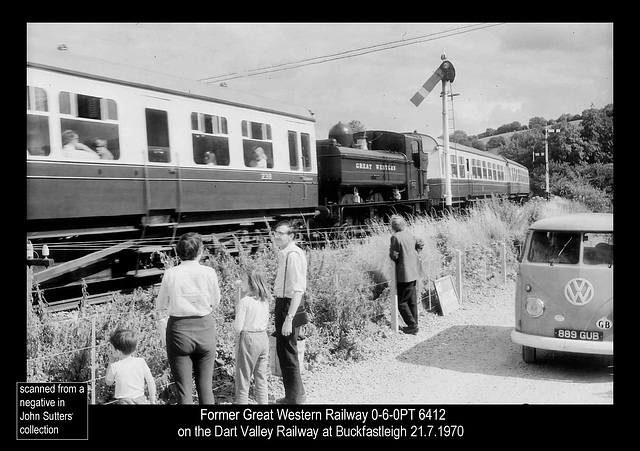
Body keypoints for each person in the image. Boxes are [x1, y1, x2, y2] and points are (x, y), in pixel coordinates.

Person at [155, 232, 221, 404]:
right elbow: (216, 301)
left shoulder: (171, 274)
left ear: (178, 252)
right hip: (205, 328)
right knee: (205, 386)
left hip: (179, 331)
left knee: (184, 390)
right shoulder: (209, 272)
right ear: (200, 251)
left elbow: (160, 305)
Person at [273, 220, 308, 404]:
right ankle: (296, 394)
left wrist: (289, 318)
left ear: (291, 236)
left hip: (288, 305)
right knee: (287, 350)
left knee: (287, 351)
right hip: (286, 303)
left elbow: (298, 289)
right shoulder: (288, 253)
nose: (277, 236)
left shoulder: (292, 256)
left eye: (281, 233)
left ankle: (294, 398)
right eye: (276, 232)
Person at [233, 267, 271, 404]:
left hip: (248, 339)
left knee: (243, 379)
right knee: (261, 378)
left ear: (250, 283)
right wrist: (239, 290)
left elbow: (238, 328)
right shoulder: (264, 300)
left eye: (243, 280)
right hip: (263, 338)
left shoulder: (245, 302)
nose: (240, 282)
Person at [389, 215, 423, 335]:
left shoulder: (395, 237)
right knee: (412, 300)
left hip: (404, 274)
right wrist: (414, 254)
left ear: (393, 227)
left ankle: (412, 325)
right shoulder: (410, 235)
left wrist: (397, 258)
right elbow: (421, 243)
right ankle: (414, 323)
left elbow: (394, 255)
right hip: (414, 271)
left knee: (402, 302)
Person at [105, 329, 156, 404]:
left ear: (118, 351)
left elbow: (108, 382)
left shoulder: (115, 366)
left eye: (112, 348)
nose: (110, 350)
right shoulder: (141, 362)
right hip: (141, 400)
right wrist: (152, 400)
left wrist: (111, 361)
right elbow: (150, 381)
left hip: (124, 402)